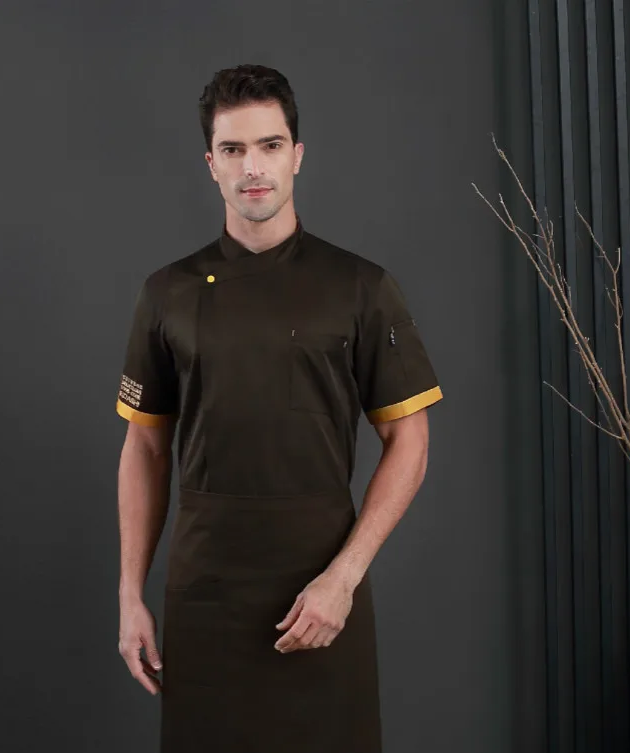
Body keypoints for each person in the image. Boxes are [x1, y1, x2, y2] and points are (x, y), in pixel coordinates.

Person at [114, 63, 443, 753]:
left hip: (320, 588)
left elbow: (409, 441)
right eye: (233, 149)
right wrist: (129, 593)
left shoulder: (361, 287)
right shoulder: (167, 293)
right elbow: (144, 447)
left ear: (297, 155)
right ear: (211, 164)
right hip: (203, 593)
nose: (252, 167)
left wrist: (343, 579)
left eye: (269, 145)